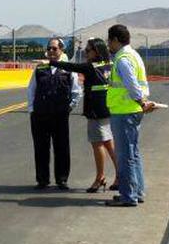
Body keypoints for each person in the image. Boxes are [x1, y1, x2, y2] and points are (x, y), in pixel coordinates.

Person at [49, 38, 118, 193]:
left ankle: (100, 178)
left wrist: (52, 62)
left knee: (97, 143)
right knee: (108, 142)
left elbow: (71, 66)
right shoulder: (109, 64)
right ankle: (120, 174)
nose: (86, 53)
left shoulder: (91, 67)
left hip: (96, 110)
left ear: (96, 51)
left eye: (88, 50)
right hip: (107, 107)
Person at [105, 25, 155, 207]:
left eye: (109, 40)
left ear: (116, 40)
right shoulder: (133, 55)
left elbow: (132, 85)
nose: (108, 44)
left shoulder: (123, 59)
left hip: (125, 111)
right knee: (133, 153)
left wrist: (142, 102)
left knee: (124, 155)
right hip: (131, 111)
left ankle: (128, 196)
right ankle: (137, 191)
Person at [26, 37, 83, 189]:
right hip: (40, 114)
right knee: (41, 147)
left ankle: (62, 179)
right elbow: (31, 89)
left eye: (54, 49)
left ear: (61, 50)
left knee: (62, 147)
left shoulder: (68, 68)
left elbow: (76, 91)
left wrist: (69, 107)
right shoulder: (39, 68)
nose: (51, 51)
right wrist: (32, 109)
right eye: (49, 48)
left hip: (60, 115)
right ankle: (42, 180)